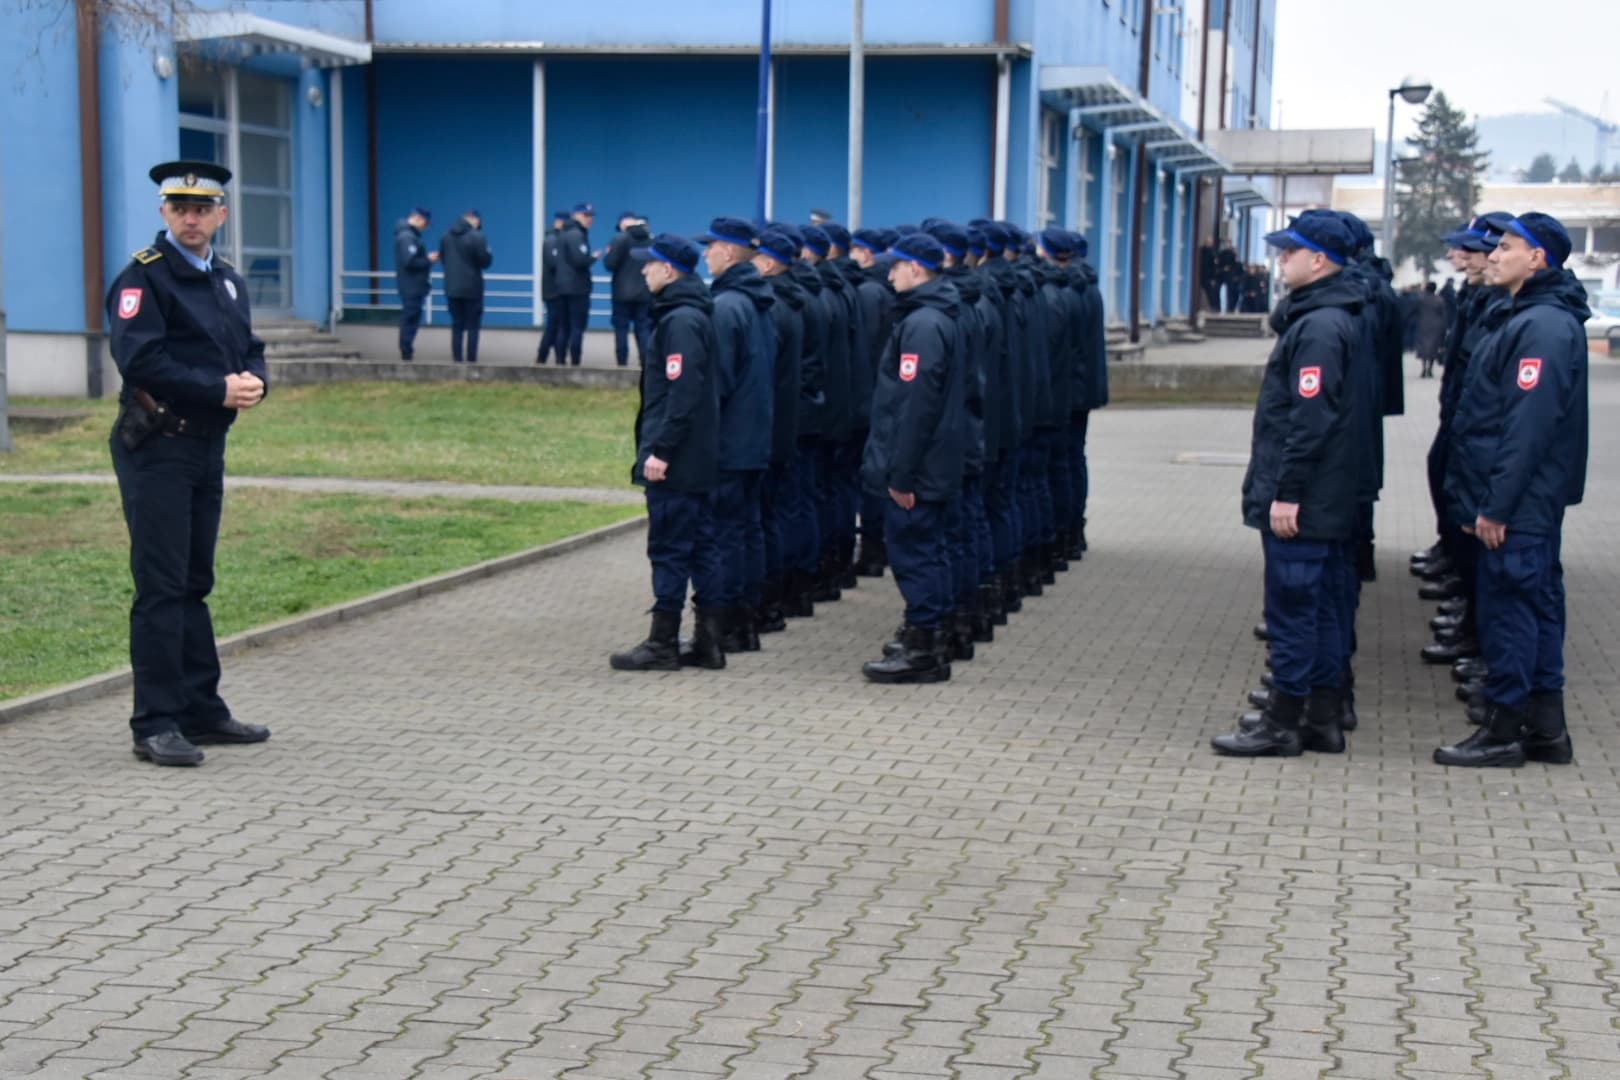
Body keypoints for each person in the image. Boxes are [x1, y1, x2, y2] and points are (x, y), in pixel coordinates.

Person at [105, 159, 271, 766]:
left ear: (221, 215)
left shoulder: (227, 280)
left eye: (203, 209)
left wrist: (255, 382)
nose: (192, 218)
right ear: (164, 214)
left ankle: (201, 709)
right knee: (161, 587)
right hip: (157, 448)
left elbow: (248, 348)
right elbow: (141, 360)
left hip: (205, 446)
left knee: (196, 582)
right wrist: (217, 389)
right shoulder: (143, 279)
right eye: (180, 208)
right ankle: (155, 722)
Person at [1435, 213, 1588, 768]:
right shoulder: (1530, 316)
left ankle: (1504, 730)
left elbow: (1528, 426)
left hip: (1516, 506)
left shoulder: (1542, 327)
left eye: (1506, 247)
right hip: (1523, 502)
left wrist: (1496, 505)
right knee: (1535, 608)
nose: (1493, 255)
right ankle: (1545, 730)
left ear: (1537, 258)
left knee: (1512, 616)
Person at [1213, 213, 1362, 757]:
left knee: (1294, 606)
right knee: (1315, 605)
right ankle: (1319, 718)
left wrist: (1288, 491)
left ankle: (1283, 722)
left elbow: (1310, 418)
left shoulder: (1320, 326)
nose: (1280, 260)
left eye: (1289, 252)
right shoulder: (1320, 317)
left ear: (1319, 260)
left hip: (1305, 496)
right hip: (1320, 494)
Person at [609, 234, 726, 672]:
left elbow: (683, 393)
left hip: (677, 461)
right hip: (697, 457)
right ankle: (709, 641)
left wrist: (660, 450)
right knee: (702, 547)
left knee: (671, 548)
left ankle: (663, 642)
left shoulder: (680, 320)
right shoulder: (691, 314)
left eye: (650, 265)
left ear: (669, 270)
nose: (643, 271)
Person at [860, 232, 966, 684]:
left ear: (916, 270)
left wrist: (901, 475)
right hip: (932, 463)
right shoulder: (931, 317)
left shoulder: (923, 325)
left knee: (915, 553)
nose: (889, 274)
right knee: (928, 551)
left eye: (896, 267)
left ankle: (923, 650)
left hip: (919, 469)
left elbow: (916, 406)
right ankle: (929, 637)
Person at [697, 217, 776, 654]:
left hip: (729, 444)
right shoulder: (757, 301)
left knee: (722, 536)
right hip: (753, 440)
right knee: (746, 532)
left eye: (710, 247)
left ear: (728, 253)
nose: (705, 254)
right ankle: (743, 622)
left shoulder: (727, 306)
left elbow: (718, 382)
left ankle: (722, 623)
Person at [750, 228, 807, 635]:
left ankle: (767, 602)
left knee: (765, 518)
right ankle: (777, 598)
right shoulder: (791, 302)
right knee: (778, 514)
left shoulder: (772, 308)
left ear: (768, 264)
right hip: (785, 424)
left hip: (768, 429)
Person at [438, 209, 492, 363]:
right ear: (475, 220)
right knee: (473, 326)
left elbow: (443, 258)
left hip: (452, 287)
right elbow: (485, 261)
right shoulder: (477, 237)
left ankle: (457, 359)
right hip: (472, 287)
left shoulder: (445, 236)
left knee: (457, 325)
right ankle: (471, 360)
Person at [603, 211, 654, 367]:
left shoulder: (619, 239)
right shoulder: (651, 240)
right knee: (644, 329)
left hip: (621, 293)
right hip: (645, 292)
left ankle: (621, 363)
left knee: (621, 329)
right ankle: (645, 362)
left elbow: (609, 264)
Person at [555, 203, 597, 366]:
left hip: (562, 287)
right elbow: (580, 261)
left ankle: (560, 361)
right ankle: (575, 362)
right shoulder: (576, 235)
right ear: (577, 215)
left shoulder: (563, 233)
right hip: (577, 289)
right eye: (586, 216)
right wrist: (592, 258)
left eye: (591, 216)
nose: (590, 220)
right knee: (576, 327)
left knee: (563, 327)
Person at [393, 206, 436, 360]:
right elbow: (409, 262)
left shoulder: (408, 236)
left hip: (413, 284)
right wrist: (428, 260)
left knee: (412, 317)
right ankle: (406, 350)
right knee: (410, 317)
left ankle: (407, 348)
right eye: (425, 224)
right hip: (411, 285)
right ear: (419, 219)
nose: (425, 228)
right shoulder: (407, 237)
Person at [536, 209, 568, 364]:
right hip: (553, 291)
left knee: (555, 325)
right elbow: (554, 263)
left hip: (554, 290)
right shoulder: (552, 240)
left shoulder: (554, 238)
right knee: (553, 325)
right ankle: (542, 357)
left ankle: (557, 358)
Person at [1415, 281, 1449, 377]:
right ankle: (1430, 369)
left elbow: (1415, 311)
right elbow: (1444, 315)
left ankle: (1423, 368)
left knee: (1423, 347)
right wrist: (1445, 327)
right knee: (1433, 348)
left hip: (1423, 325)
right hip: (1436, 326)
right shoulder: (1439, 300)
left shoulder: (1420, 299)